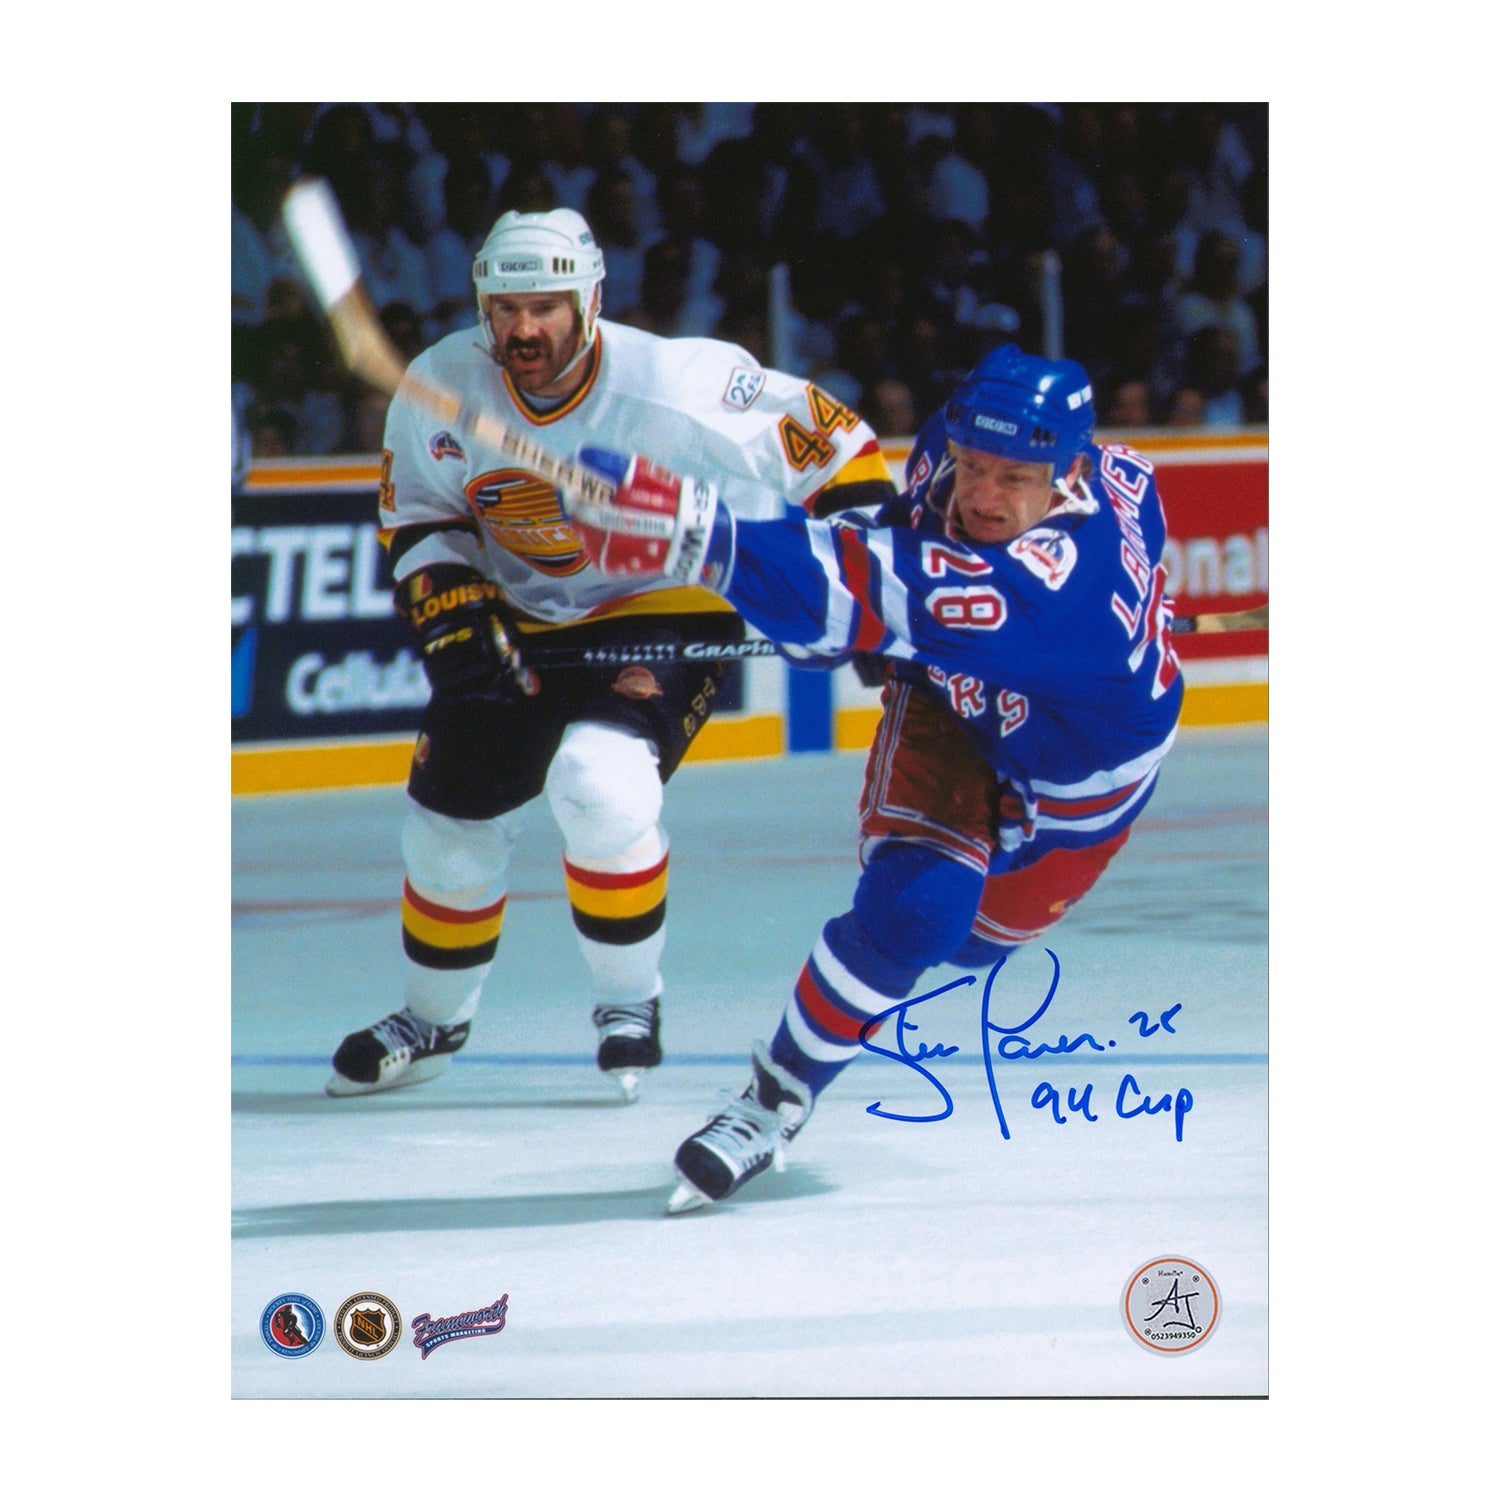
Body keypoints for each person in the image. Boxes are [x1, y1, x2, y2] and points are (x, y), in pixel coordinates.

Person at [566, 343, 1182, 1208]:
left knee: (974, 946)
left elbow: (853, 594)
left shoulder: (1058, 592)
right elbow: (860, 588)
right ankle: (774, 1100)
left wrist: (699, 533)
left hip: (1080, 789)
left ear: (1067, 475)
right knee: (919, 916)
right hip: (959, 713)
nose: (982, 496)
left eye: (1014, 479)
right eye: (974, 465)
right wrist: (858, 628)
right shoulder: (998, 462)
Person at [326, 206, 895, 1101]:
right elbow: (423, 516)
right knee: (444, 832)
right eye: (506, 309)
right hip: (521, 615)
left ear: (589, 303)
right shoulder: (439, 383)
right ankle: (432, 1020)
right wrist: (449, 604)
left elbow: (837, 446)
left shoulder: (675, 382)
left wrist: (876, 588)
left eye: (545, 308)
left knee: (600, 783)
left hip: (662, 601)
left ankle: (629, 1002)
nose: (523, 329)